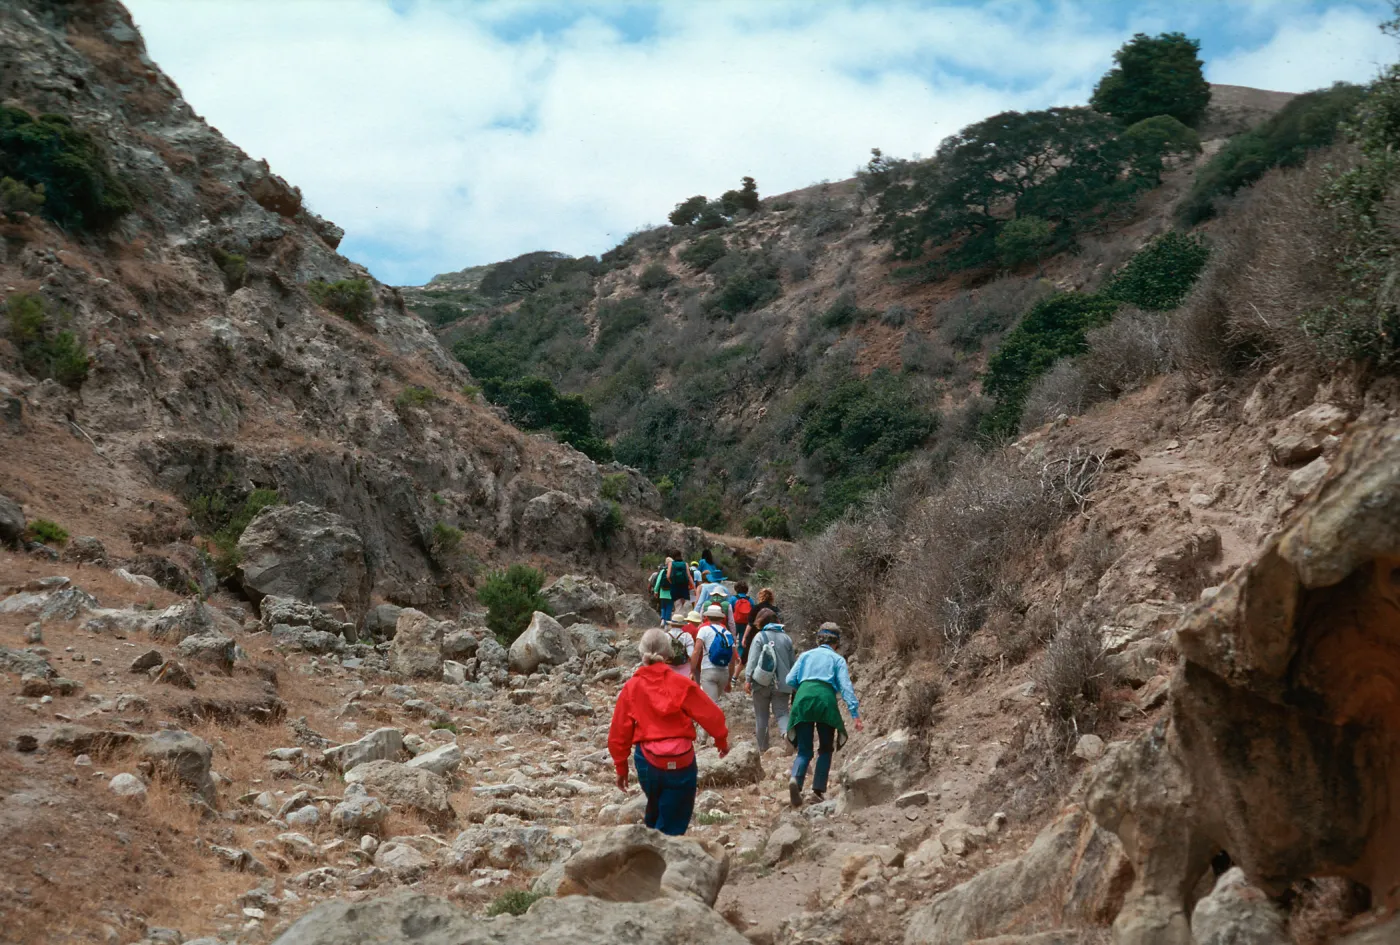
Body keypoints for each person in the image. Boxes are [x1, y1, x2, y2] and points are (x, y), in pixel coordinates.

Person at [609, 628, 729, 836]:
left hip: (647, 761)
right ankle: (664, 851)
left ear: (642, 653)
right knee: (675, 817)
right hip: (681, 760)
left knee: (655, 806)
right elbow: (711, 714)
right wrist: (721, 741)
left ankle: (652, 846)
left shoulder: (632, 687)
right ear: (668, 654)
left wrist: (621, 768)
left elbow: (619, 732)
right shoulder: (681, 683)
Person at [785, 622, 862, 807]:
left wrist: (804, 689)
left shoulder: (805, 655)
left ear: (818, 639)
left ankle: (796, 779)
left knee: (804, 750)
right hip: (826, 701)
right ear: (837, 642)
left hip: (803, 698)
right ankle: (817, 791)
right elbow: (845, 687)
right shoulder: (837, 659)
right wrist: (855, 714)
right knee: (826, 748)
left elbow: (789, 679)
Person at [744, 621, 796, 752]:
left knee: (761, 716)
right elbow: (793, 663)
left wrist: (747, 679)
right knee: (782, 713)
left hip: (761, 683)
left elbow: (752, 660)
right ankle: (786, 735)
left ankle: (763, 748)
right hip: (783, 684)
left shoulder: (759, 637)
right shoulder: (787, 639)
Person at [691, 603, 737, 704]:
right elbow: (733, 659)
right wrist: (729, 679)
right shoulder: (727, 633)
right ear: (721, 618)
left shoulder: (703, 630)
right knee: (715, 702)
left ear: (707, 617)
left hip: (708, 670)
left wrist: (692, 670)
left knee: (712, 704)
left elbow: (696, 651)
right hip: (724, 672)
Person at [743, 588, 780, 658]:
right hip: (772, 637)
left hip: (754, 635)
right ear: (771, 598)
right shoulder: (775, 609)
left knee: (745, 659)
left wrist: (744, 637)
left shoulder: (755, 608)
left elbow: (750, 624)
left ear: (760, 597)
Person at [731, 581, 755, 660]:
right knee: (742, 641)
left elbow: (729, 610)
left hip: (735, 622)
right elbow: (753, 611)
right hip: (745, 623)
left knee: (732, 640)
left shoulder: (733, 599)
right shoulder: (750, 600)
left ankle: (732, 657)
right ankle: (740, 658)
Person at [653, 557, 678, 626]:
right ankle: (667, 622)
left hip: (662, 592)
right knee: (669, 607)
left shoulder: (662, 571)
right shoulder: (674, 571)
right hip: (671, 593)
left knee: (663, 607)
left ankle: (662, 619)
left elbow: (658, 582)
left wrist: (655, 591)